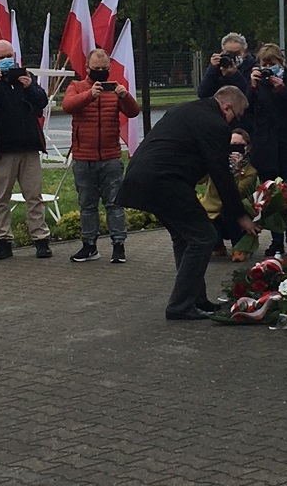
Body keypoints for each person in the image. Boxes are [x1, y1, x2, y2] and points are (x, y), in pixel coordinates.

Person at [117, 87, 261, 320]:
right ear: (227, 107)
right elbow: (220, 174)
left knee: (186, 238)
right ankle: (181, 305)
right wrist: (240, 216)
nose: (237, 120)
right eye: (238, 114)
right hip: (165, 181)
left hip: (143, 178)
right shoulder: (214, 124)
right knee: (203, 237)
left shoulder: (186, 109)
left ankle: (195, 299)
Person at [0, 39, 51, 260]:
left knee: (34, 196)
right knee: (1, 198)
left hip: (28, 147)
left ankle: (41, 239)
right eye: (1, 58)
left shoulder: (25, 76)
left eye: (9, 56)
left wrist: (30, 87)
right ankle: (3, 240)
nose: (6, 61)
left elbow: (41, 101)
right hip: (1, 150)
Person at [61, 47, 141, 264]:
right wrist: (89, 94)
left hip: (110, 157)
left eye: (104, 69)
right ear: (87, 68)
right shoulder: (77, 86)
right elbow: (67, 105)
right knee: (87, 205)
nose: (100, 72)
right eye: (96, 69)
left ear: (109, 68)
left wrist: (125, 96)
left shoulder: (115, 89)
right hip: (83, 157)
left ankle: (118, 245)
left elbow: (133, 112)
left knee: (114, 204)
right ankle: (89, 246)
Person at [244, 42, 287, 257]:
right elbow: (245, 110)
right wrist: (251, 86)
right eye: (265, 64)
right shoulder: (256, 84)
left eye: (273, 63)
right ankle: (276, 242)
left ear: (281, 62)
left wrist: (282, 91)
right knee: (270, 200)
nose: (269, 68)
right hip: (265, 149)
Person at [201, 128, 258, 261]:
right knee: (208, 231)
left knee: (229, 209)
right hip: (212, 212)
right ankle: (217, 245)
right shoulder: (216, 164)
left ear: (248, 148)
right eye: (231, 145)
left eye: (240, 146)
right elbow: (199, 180)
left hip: (236, 215)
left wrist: (236, 171)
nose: (235, 149)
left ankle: (239, 247)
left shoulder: (250, 172)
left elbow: (236, 194)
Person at [197, 32, 257, 113]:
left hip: (244, 114)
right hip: (220, 113)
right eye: (229, 53)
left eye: (237, 53)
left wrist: (235, 75)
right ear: (222, 52)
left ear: (244, 52)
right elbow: (202, 93)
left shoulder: (253, 66)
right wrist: (212, 69)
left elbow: (249, 95)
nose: (233, 57)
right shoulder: (218, 67)